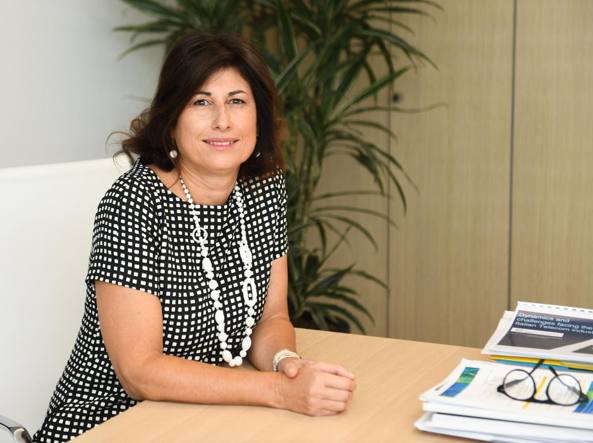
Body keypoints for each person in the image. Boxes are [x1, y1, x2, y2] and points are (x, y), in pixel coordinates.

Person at [34, 32, 356, 442]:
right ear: (172, 119)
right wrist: (278, 391)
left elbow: (271, 318)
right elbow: (139, 372)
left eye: (237, 101)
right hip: (109, 422)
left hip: (203, 416)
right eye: (201, 102)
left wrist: (286, 363)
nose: (222, 120)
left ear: (258, 116)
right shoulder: (133, 204)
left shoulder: (263, 189)